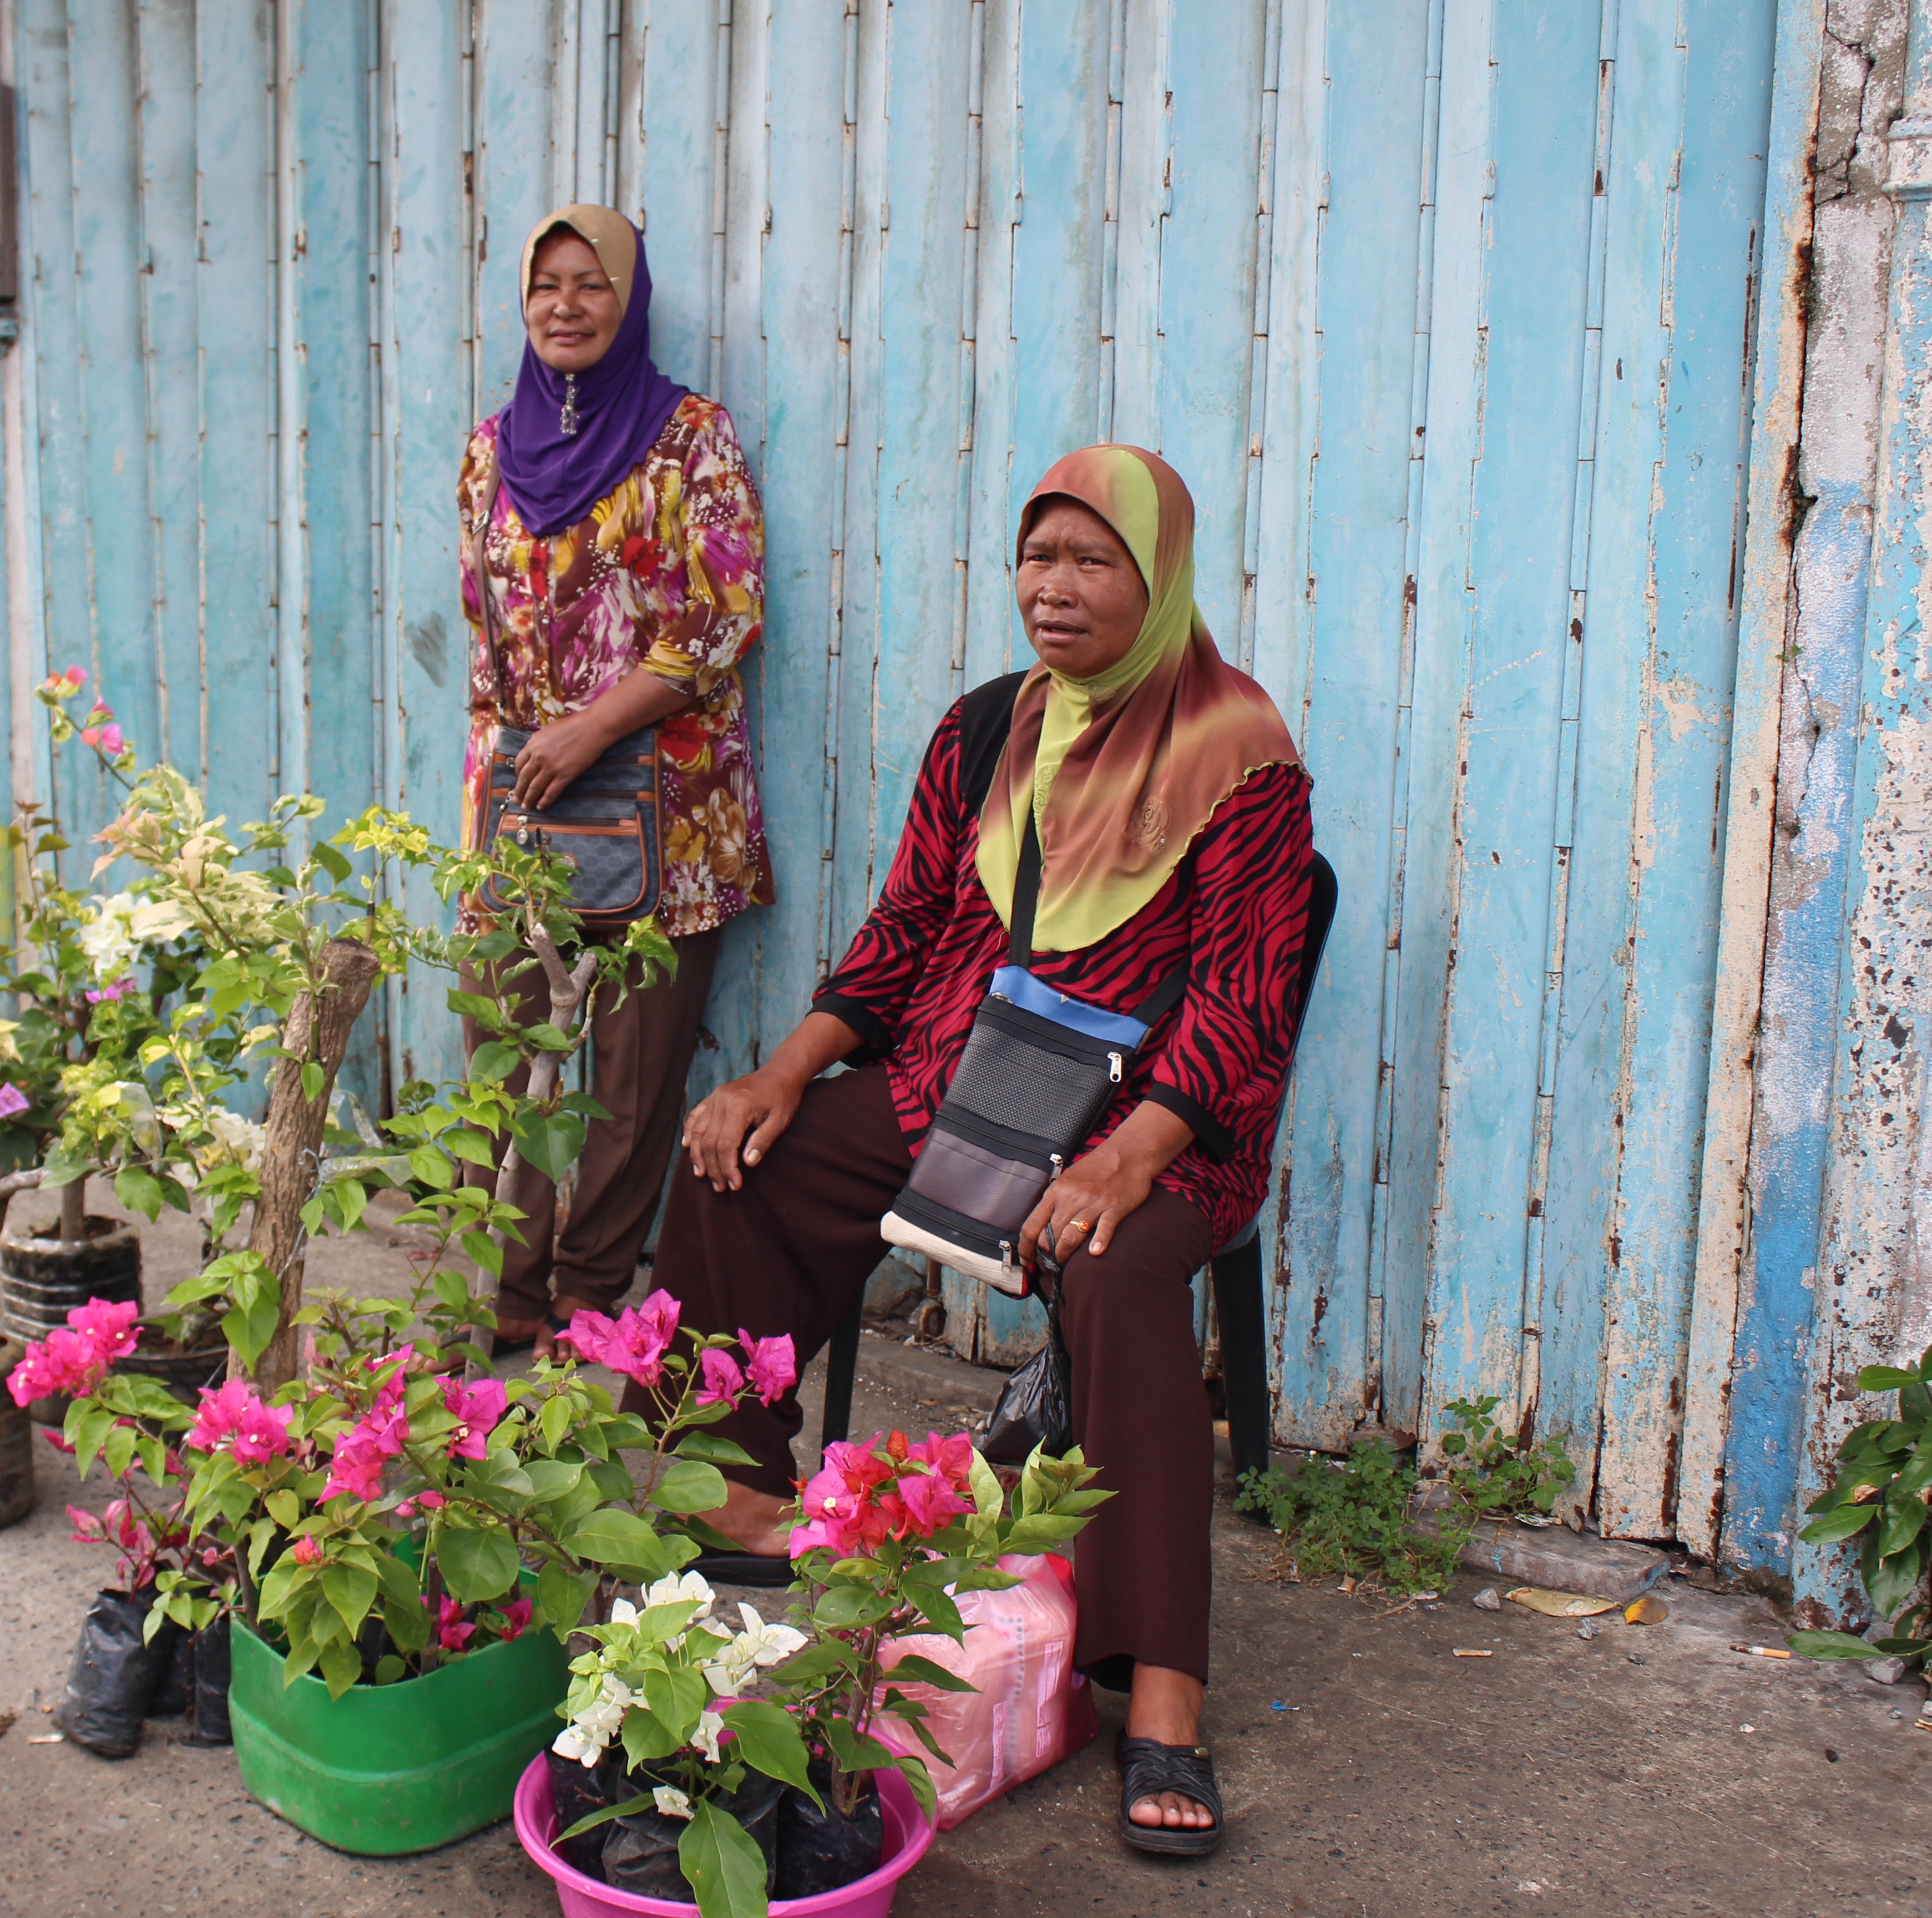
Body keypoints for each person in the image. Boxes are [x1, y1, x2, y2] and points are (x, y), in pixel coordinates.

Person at [635, 445, 1312, 1856]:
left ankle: (1164, 1691)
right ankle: (746, 1491)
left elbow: (1246, 1003)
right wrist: (780, 1070)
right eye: (1038, 558)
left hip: (1155, 1116)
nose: (1053, 592)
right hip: (962, 1077)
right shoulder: (987, 726)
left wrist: (1129, 1158)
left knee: (1124, 1278)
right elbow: (900, 939)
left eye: (1091, 563)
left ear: (1159, 577)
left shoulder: (1239, 753)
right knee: (734, 1158)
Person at [458, 204, 772, 1356]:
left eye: (592, 284)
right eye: (547, 285)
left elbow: (729, 613)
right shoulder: (492, 450)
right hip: (526, 795)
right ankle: (499, 1286)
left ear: (629, 299)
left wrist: (591, 729)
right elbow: (484, 649)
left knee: (633, 1081)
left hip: (667, 806)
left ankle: (585, 1299)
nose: (566, 306)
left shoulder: (690, 437)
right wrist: (487, 803)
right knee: (506, 1041)